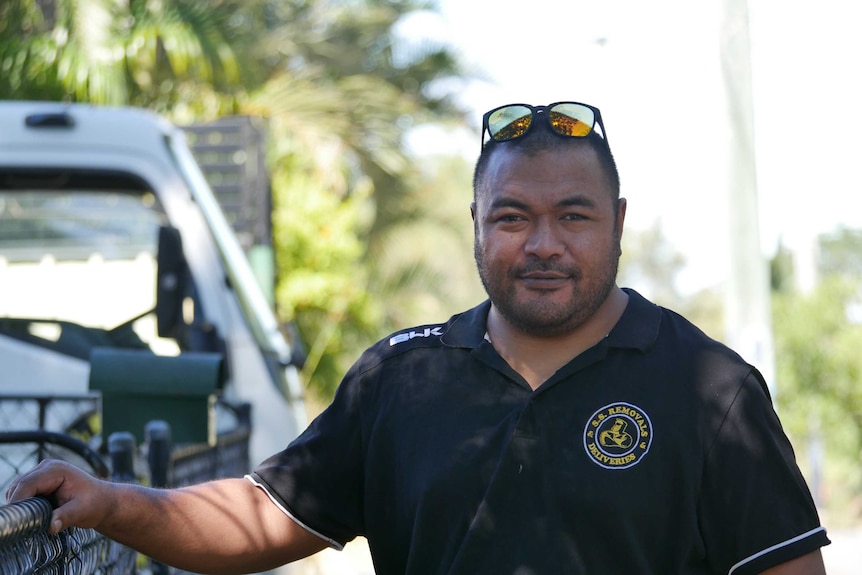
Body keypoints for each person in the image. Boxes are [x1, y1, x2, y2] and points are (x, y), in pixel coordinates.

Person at [7, 101, 830, 575]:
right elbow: (261, 515)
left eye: (573, 215)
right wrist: (115, 503)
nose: (543, 242)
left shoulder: (708, 388)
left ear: (617, 223)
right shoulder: (401, 379)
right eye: (513, 216)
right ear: (478, 225)